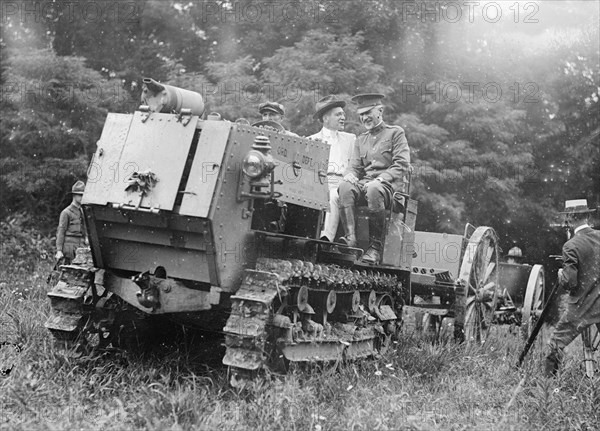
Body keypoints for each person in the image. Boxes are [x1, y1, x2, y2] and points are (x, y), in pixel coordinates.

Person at [337, 93, 410, 264]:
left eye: (369, 112)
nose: (365, 118)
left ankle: (375, 247)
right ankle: (350, 240)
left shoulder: (395, 133)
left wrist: (381, 179)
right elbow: (354, 167)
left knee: (373, 188)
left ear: (380, 110)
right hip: (367, 186)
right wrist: (349, 175)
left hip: (390, 190)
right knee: (345, 187)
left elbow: (402, 164)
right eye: (361, 114)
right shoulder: (361, 140)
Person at [545, 199, 600, 377]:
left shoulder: (571, 245)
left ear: (569, 218)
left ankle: (548, 384)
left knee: (556, 342)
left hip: (582, 305)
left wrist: (562, 274)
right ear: (588, 216)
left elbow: (570, 283)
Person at [307, 95, 356, 242]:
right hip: (318, 182)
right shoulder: (311, 140)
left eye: (343, 114)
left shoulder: (351, 139)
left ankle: (326, 238)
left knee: (335, 195)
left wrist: (351, 174)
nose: (343, 117)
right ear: (325, 118)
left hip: (341, 183)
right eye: (338, 114)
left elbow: (356, 164)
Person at [55, 180, 87, 264]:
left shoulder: (83, 212)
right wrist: (59, 250)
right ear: (74, 195)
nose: (82, 197)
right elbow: (61, 232)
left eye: (83, 195)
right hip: (69, 248)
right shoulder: (66, 212)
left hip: (81, 247)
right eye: (79, 195)